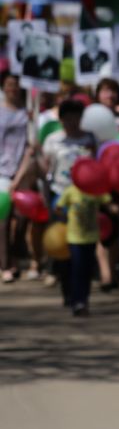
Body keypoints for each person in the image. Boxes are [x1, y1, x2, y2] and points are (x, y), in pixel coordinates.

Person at [56, 163, 103, 316]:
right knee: (76, 270)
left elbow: (107, 202)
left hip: (91, 238)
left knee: (87, 271)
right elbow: (58, 207)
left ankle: (84, 300)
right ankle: (77, 302)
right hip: (74, 238)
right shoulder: (70, 191)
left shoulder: (95, 192)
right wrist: (62, 217)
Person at [0, 70, 29, 283]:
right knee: (3, 220)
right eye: (9, 84)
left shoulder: (28, 114)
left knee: (21, 218)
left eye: (16, 84)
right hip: (0, 173)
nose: (13, 88)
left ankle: (16, 257)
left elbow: (29, 147)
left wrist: (19, 177)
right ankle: (5, 264)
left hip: (21, 172)